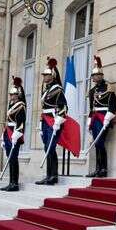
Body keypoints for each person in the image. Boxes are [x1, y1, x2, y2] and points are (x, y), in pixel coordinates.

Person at [37, 57, 67, 185]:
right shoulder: (46, 90)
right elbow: (43, 108)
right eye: (44, 75)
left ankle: (53, 175)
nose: (44, 76)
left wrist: (58, 121)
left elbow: (64, 107)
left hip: (53, 121)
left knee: (50, 147)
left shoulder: (57, 90)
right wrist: (40, 123)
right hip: (45, 121)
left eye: (47, 75)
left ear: (53, 75)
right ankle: (49, 174)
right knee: (46, 147)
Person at [87, 56, 116, 177]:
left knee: (100, 142)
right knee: (96, 143)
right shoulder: (92, 91)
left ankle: (103, 169)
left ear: (101, 75)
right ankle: (97, 169)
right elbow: (91, 108)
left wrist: (108, 117)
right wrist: (89, 121)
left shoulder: (109, 87)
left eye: (98, 75)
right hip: (95, 118)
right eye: (94, 76)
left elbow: (114, 104)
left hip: (104, 118)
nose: (95, 77)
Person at [0, 76, 26, 191]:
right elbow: (8, 121)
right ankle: (10, 182)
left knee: (13, 158)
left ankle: (15, 183)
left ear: (18, 95)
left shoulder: (21, 106)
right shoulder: (11, 105)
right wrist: (3, 135)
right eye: (10, 94)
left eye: (13, 94)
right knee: (10, 158)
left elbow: (21, 121)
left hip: (15, 133)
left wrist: (18, 133)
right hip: (8, 132)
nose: (11, 96)